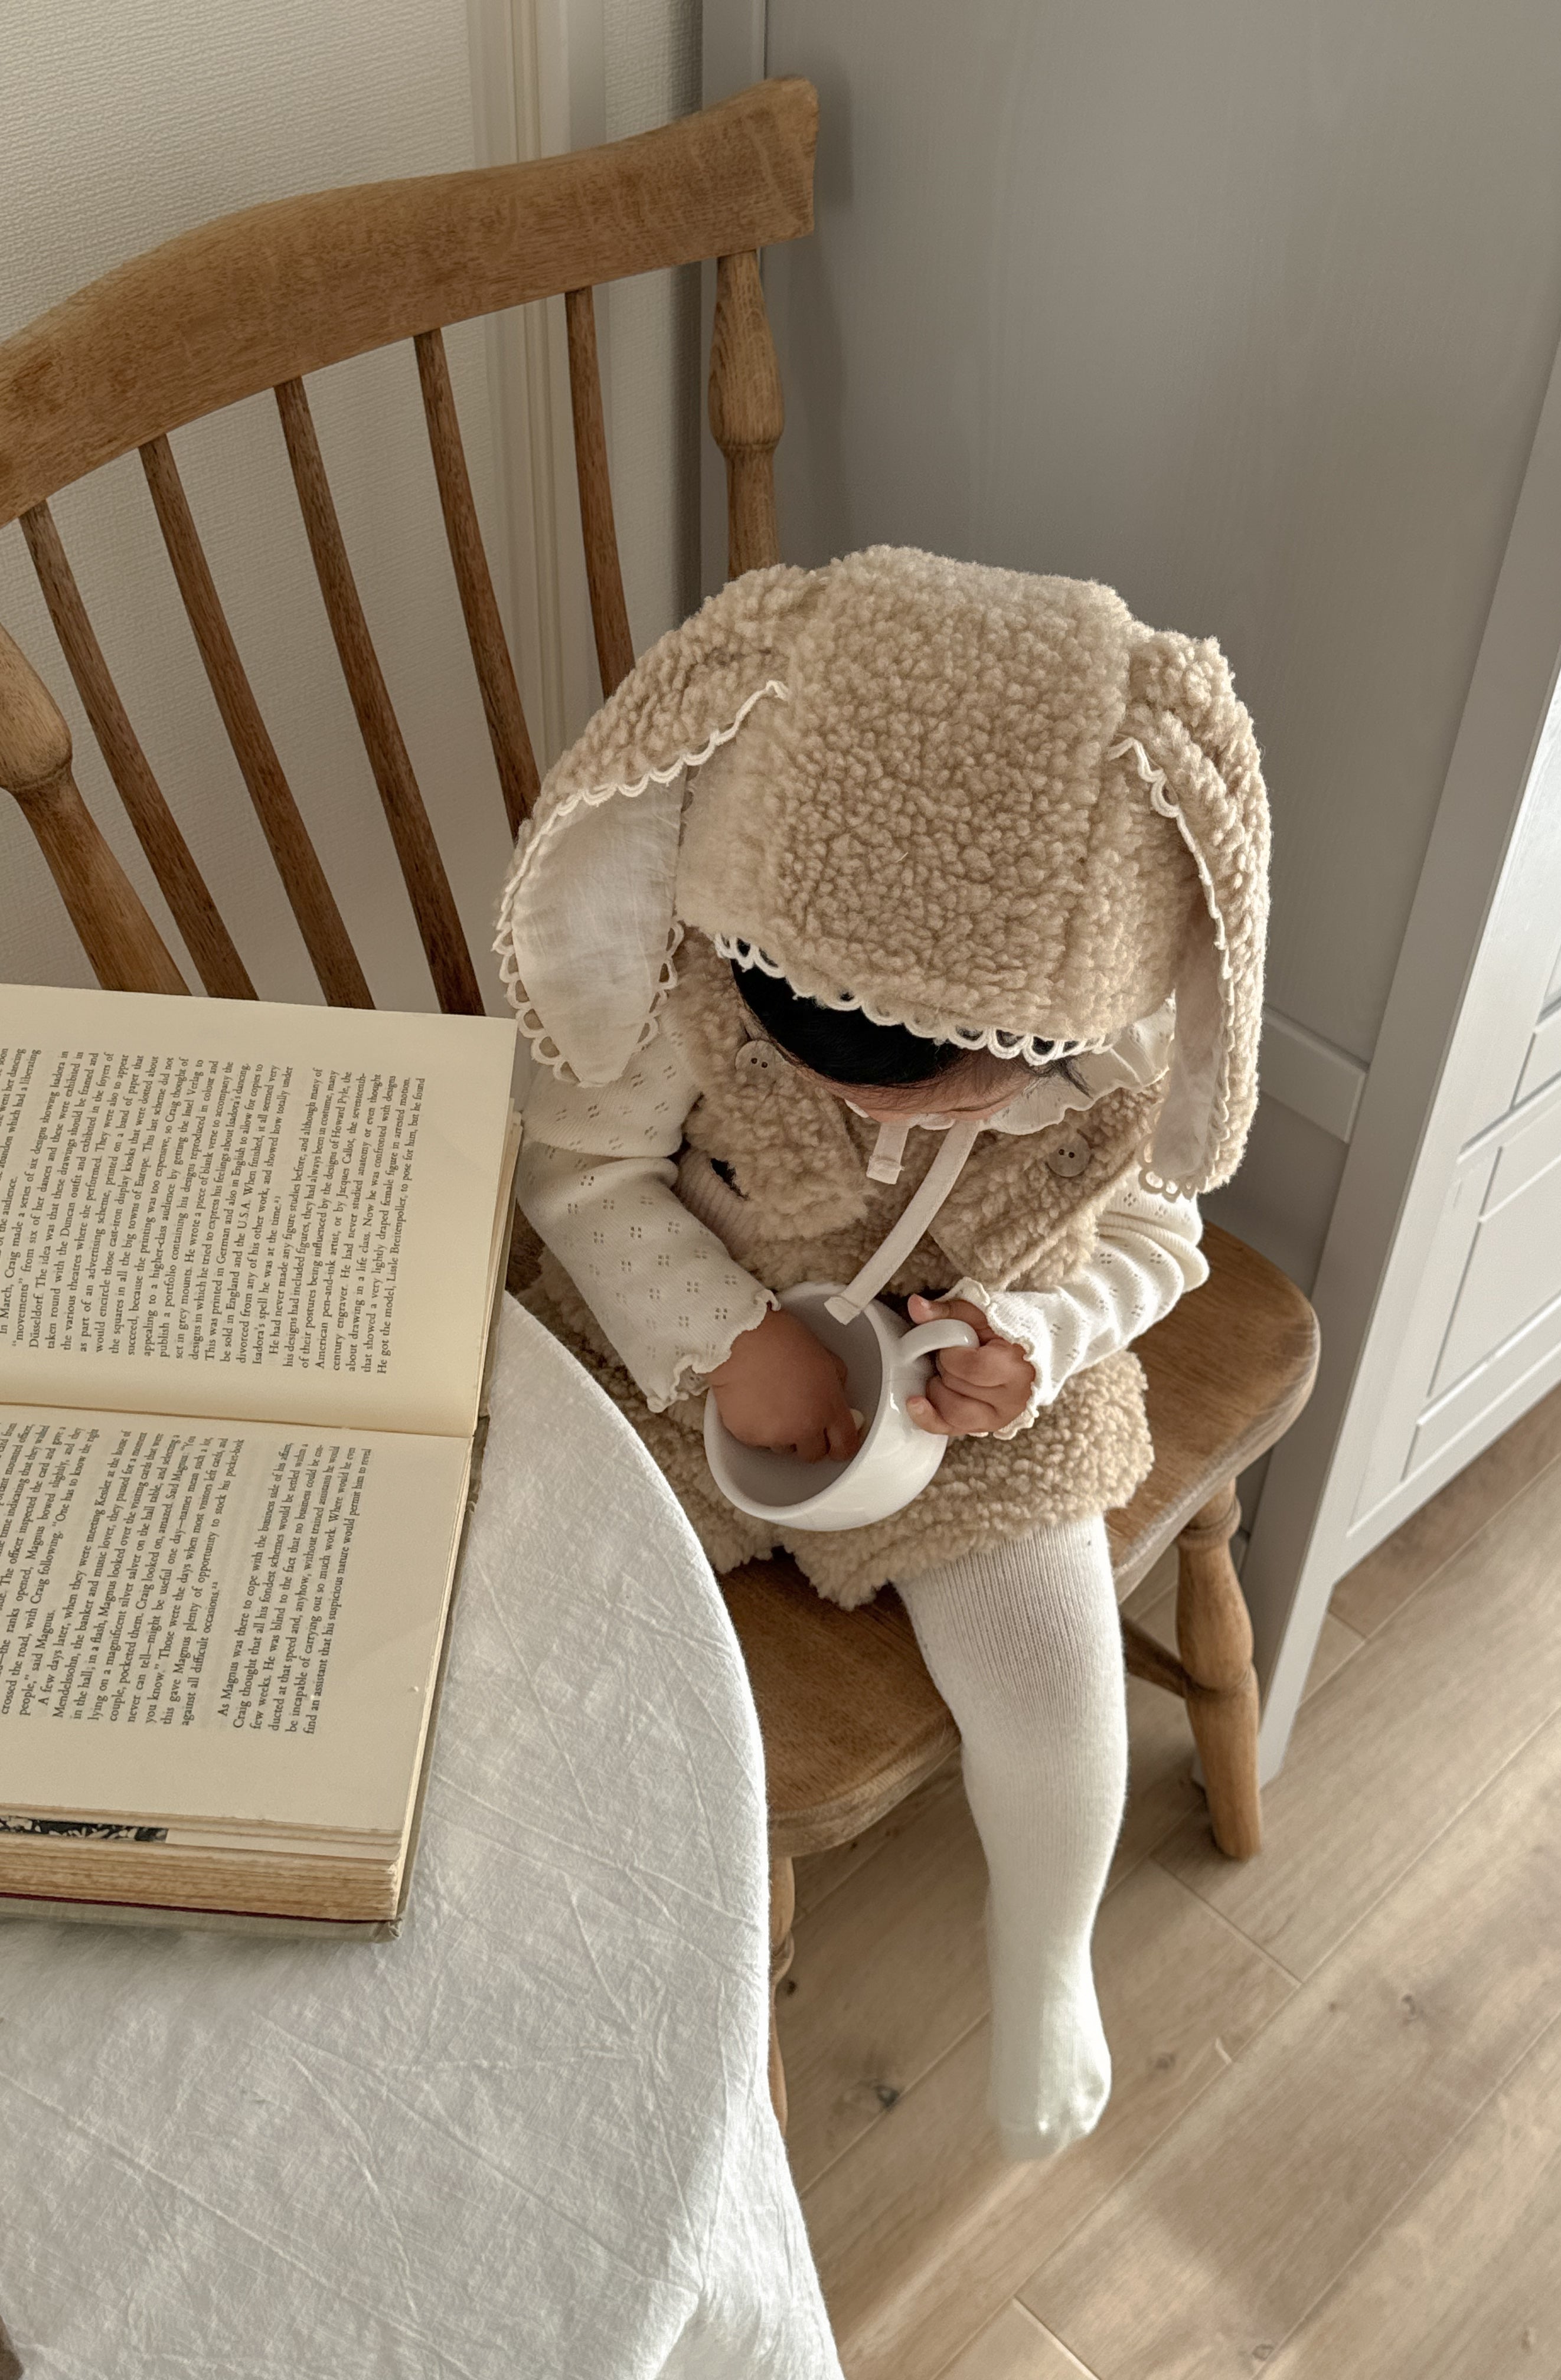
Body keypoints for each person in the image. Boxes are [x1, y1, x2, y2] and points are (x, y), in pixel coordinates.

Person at [499, 546, 1268, 2156]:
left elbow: (1162, 1237)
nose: (892, 1106)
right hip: (687, 1318)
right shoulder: (698, 972)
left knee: (1056, 1683)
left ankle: (1046, 1954)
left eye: (960, 1074)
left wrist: (1037, 1342)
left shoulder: (1111, 1025)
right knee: (539, 1600)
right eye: (839, 1044)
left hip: (960, 1387)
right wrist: (720, 1340)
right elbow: (576, 1172)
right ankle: (588, 1951)